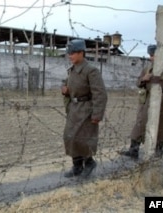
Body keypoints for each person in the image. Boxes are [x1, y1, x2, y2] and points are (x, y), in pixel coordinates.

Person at [61, 39, 108, 178]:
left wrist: (97, 114)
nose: (70, 56)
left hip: (87, 110)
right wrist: (65, 91)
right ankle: (77, 166)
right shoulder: (72, 70)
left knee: (83, 138)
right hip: (74, 109)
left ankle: (89, 163)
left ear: (81, 53)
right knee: (70, 137)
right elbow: (71, 87)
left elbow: (100, 94)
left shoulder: (91, 70)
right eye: (69, 53)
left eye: (73, 53)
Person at [120, 44, 163, 159]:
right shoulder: (147, 68)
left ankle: (158, 151)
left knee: (161, 126)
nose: (151, 58)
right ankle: (133, 150)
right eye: (150, 55)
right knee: (140, 124)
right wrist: (144, 79)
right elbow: (138, 83)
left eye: (153, 55)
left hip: (161, 101)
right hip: (146, 100)